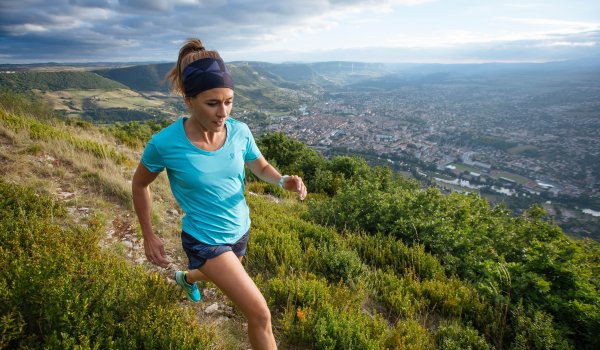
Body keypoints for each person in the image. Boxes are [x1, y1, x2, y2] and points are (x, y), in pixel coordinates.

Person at [131, 38, 307, 350]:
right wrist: (148, 234)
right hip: (205, 240)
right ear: (189, 99)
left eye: (228, 101)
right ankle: (194, 274)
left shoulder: (240, 131)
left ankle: (186, 279)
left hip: (240, 229)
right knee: (260, 314)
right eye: (212, 103)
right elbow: (140, 184)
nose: (222, 112)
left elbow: (260, 165)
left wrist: (283, 181)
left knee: (216, 275)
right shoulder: (165, 143)